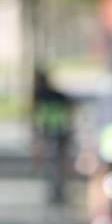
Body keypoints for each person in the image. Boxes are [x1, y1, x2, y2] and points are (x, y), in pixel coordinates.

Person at [32, 70, 73, 204]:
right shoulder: (58, 95)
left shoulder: (38, 95)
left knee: (47, 157)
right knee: (61, 159)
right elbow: (70, 110)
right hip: (61, 129)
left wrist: (34, 134)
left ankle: (53, 180)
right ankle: (62, 183)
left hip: (48, 130)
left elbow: (34, 115)